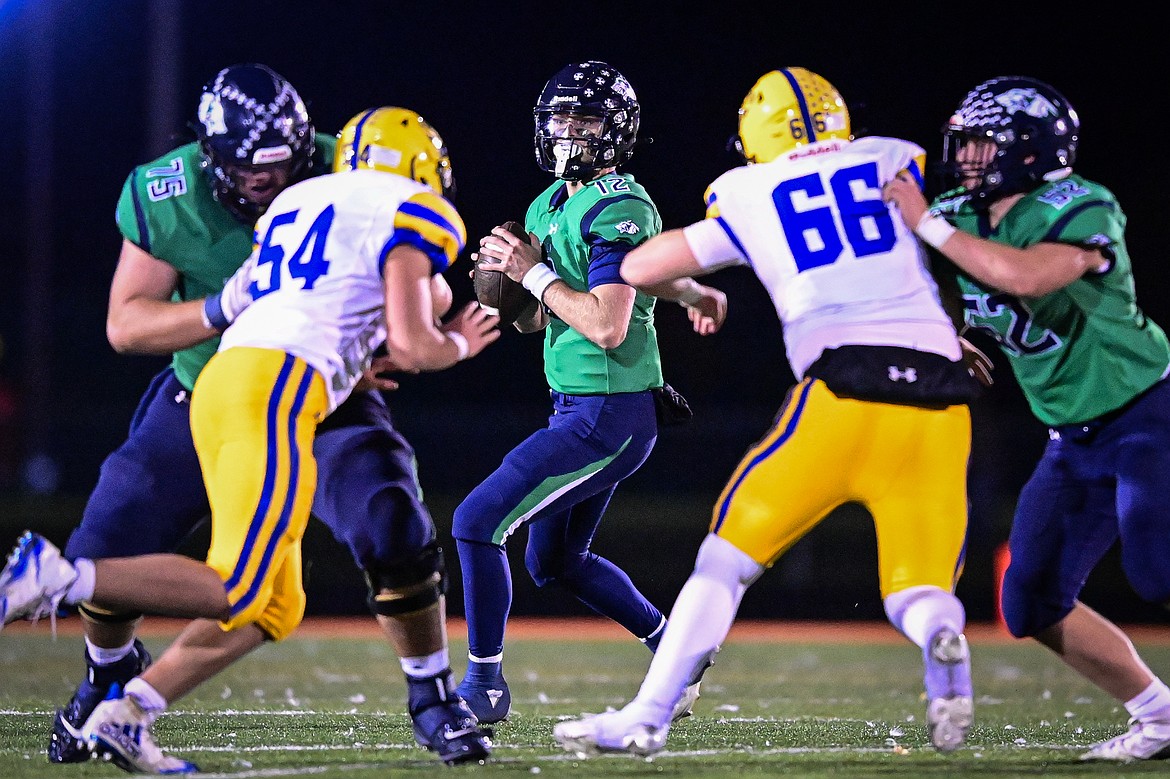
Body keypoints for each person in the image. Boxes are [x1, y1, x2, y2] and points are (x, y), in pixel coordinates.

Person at [0, 97, 499, 769]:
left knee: (277, 602)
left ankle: (130, 712)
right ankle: (62, 578)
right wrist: (459, 342)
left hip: (248, 380)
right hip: (274, 393)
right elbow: (413, 338)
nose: (264, 178)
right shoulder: (414, 205)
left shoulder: (300, 200)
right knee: (234, 585)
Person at [553, 66, 983, 758]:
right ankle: (939, 631)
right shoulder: (889, 160)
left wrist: (693, 283)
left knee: (723, 562)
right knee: (919, 583)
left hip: (841, 391)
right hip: (940, 396)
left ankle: (649, 714)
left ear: (759, 132)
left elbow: (637, 267)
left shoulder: (751, 189)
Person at [882, 75, 1170, 763]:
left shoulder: (1079, 203)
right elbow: (961, 293)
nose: (968, 156)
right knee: (1031, 600)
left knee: (1158, 572)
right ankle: (1160, 717)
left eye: (984, 143)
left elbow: (1027, 278)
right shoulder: (958, 212)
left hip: (1148, 418)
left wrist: (926, 223)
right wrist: (955, 342)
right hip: (1071, 438)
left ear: (1031, 149)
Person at [451, 60, 727, 725]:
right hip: (575, 406)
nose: (569, 133)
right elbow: (547, 312)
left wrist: (534, 271)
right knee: (556, 561)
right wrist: (508, 287)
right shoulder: (548, 204)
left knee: (475, 521)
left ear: (617, 132)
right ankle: (677, 650)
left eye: (585, 121)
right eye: (560, 120)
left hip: (611, 414)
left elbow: (607, 321)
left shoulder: (620, 205)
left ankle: (483, 687)